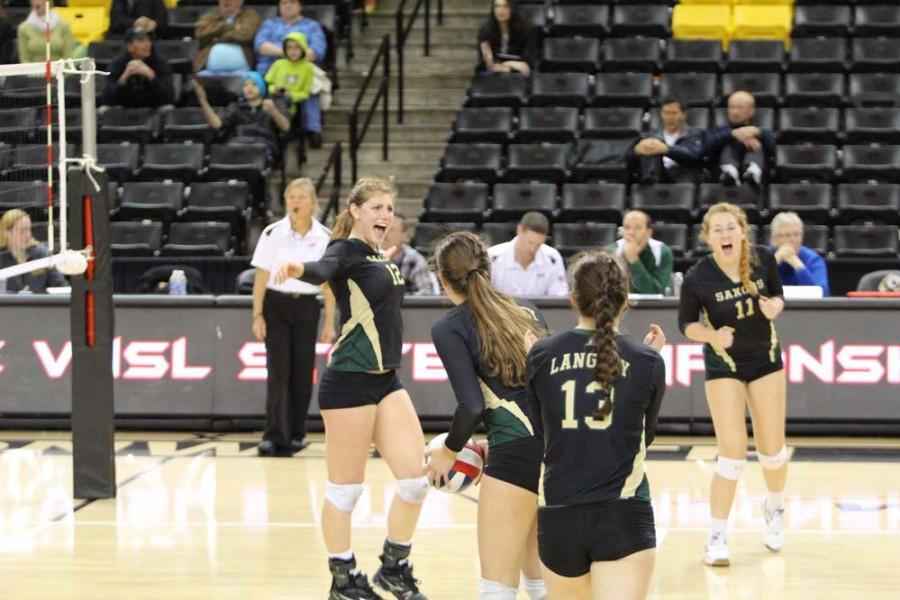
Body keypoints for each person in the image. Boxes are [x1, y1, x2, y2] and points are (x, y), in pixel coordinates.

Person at [274, 177, 429, 600]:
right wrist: (297, 270)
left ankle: (393, 568)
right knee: (346, 490)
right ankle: (342, 579)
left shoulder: (376, 255)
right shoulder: (343, 250)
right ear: (356, 210)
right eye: (377, 207)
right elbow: (323, 270)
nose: (385, 215)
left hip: (387, 380)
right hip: (349, 383)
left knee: (416, 481)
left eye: (389, 209)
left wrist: (382, 262)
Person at [526, 251, 666, 600]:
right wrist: (648, 360)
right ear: (625, 301)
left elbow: (542, 432)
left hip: (559, 515)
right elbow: (642, 438)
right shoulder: (648, 362)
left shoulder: (541, 356)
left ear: (573, 299)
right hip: (622, 514)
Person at [425, 231, 548, 600]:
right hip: (554, 445)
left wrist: (449, 451)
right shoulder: (524, 308)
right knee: (541, 584)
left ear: (443, 280)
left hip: (514, 452)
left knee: (496, 589)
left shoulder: (449, 326)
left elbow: (472, 406)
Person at [678, 202, 789, 567]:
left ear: (742, 230)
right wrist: (711, 336)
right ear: (707, 237)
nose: (725, 234)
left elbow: (776, 296)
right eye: (717, 229)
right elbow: (686, 325)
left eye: (731, 227)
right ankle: (717, 536)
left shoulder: (763, 260)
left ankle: (774, 507)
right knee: (732, 455)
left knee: (773, 451)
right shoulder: (697, 277)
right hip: (724, 363)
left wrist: (775, 306)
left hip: (764, 359)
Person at [251, 178, 336, 457]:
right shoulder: (272, 233)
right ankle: (273, 434)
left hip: (308, 306)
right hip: (277, 304)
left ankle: (296, 432)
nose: (295, 202)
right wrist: (258, 314)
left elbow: (328, 284)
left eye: (301, 197)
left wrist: (328, 320)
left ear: (313, 202)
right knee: (278, 371)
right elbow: (261, 276)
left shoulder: (324, 236)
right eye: (291, 197)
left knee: (302, 371)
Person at [254, 0, 327, 147]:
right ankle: (259, 129)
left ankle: (313, 130)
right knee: (251, 84)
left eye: (292, 2)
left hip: (300, 72)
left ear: (300, 6)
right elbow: (260, 45)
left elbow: (317, 51)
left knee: (312, 87)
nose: (287, 6)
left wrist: (295, 59)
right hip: (270, 71)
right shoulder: (270, 24)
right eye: (284, 3)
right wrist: (287, 53)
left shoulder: (312, 26)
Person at [193, 72, 291, 166]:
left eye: (254, 84)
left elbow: (286, 127)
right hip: (238, 144)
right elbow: (217, 124)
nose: (249, 88)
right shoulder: (236, 107)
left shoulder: (274, 104)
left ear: (261, 87)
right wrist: (203, 101)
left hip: (263, 144)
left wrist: (273, 111)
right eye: (245, 85)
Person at [705, 91, 776, 190]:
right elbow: (707, 146)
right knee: (729, 141)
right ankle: (729, 171)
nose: (735, 112)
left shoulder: (760, 131)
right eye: (732, 108)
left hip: (757, 185)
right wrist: (732, 134)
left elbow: (774, 149)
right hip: (722, 182)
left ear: (751, 111)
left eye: (740, 108)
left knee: (756, 143)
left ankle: (753, 171)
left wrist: (758, 132)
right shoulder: (719, 130)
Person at [488, 212, 568, 297]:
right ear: (519, 230)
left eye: (538, 245)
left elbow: (558, 296)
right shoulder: (492, 256)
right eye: (529, 243)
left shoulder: (553, 258)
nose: (532, 249)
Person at [629, 97, 705, 185]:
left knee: (655, 148)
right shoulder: (649, 135)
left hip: (683, 178)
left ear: (684, 114)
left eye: (674, 113)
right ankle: (649, 179)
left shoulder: (695, 133)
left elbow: (694, 154)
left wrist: (666, 149)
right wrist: (636, 151)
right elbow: (627, 157)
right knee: (650, 146)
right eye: (666, 113)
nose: (670, 117)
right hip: (657, 177)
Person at [101, 27, 175, 109]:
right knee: (104, 110)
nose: (147, 44)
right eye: (141, 40)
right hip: (124, 110)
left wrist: (151, 76)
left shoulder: (160, 62)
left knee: (168, 108)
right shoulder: (117, 63)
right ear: (129, 47)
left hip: (153, 109)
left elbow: (169, 97)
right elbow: (107, 99)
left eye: (149, 40)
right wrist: (124, 77)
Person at [264, 32, 316, 146]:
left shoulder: (308, 68)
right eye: (289, 48)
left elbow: (305, 93)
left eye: (297, 47)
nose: (293, 51)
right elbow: (269, 85)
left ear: (303, 48)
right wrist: (275, 89)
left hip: (290, 105)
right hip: (274, 99)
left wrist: (291, 95)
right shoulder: (278, 64)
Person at [605, 210, 674, 296]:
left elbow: (655, 292)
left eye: (637, 228)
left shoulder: (662, 252)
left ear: (649, 232)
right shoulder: (610, 252)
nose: (631, 232)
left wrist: (634, 260)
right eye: (627, 227)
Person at [0, 209, 67, 294]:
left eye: (29, 229)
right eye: (22, 231)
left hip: (40, 306)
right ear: (7, 233)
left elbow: (61, 287)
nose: (28, 235)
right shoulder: (1, 257)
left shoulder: (42, 255)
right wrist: (15, 297)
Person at [769, 211, 830, 296]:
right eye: (786, 235)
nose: (792, 240)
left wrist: (798, 265)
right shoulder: (764, 256)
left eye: (797, 234)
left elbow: (823, 294)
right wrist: (774, 262)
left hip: (804, 308)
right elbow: (754, 289)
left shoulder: (813, 259)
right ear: (774, 239)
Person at [193, 0, 261, 74]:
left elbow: (246, 35)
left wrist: (217, 38)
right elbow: (200, 35)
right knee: (197, 80)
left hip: (241, 71)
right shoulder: (208, 17)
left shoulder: (250, 15)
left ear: (240, 1)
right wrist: (226, 25)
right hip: (208, 71)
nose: (226, 1)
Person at [382, 213, 440, 295]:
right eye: (383, 228)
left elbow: (427, 295)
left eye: (391, 229)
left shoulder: (415, 260)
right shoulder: (367, 256)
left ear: (404, 235)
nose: (385, 233)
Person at [477, 0, 536, 76]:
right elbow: (487, 63)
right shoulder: (485, 32)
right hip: (493, 76)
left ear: (512, 9)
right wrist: (509, 66)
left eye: (505, 6)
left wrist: (506, 64)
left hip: (518, 77)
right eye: (497, 6)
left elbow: (527, 66)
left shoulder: (527, 30)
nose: (501, 10)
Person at [17, 0, 83, 63]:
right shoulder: (23, 28)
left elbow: (68, 56)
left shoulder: (63, 25)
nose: (38, 2)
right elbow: (24, 59)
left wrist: (59, 72)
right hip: (33, 73)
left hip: (59, 72)